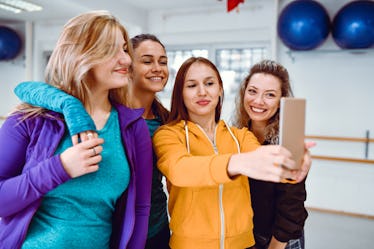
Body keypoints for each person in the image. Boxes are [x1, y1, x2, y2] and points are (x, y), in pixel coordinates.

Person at [0, 11, 153, 249]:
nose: (126, 60)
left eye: (124, 49)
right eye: (112, 50)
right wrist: (59, 168)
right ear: (82, 54)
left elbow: (141, 208)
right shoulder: (30, 119)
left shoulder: (133, 127)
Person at [152, 57, 312, 249]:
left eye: (209, 83)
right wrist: (234, 163)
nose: (202, 91)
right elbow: (180, 169)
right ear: (181, 93)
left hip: (243, 244)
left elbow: (267, 163)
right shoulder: (168, 135)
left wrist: (293, 164)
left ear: (220, 89)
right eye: (192, 85)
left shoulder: (241, 136)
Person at [234, 59, 309, 249]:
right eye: (252, 91)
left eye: (269, 95)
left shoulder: (287, 142)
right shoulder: (234, 135)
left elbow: (292, 204)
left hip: (279, 238)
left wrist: (277, 244)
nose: (258, 101)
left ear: (280, 101)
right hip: (246, 236)